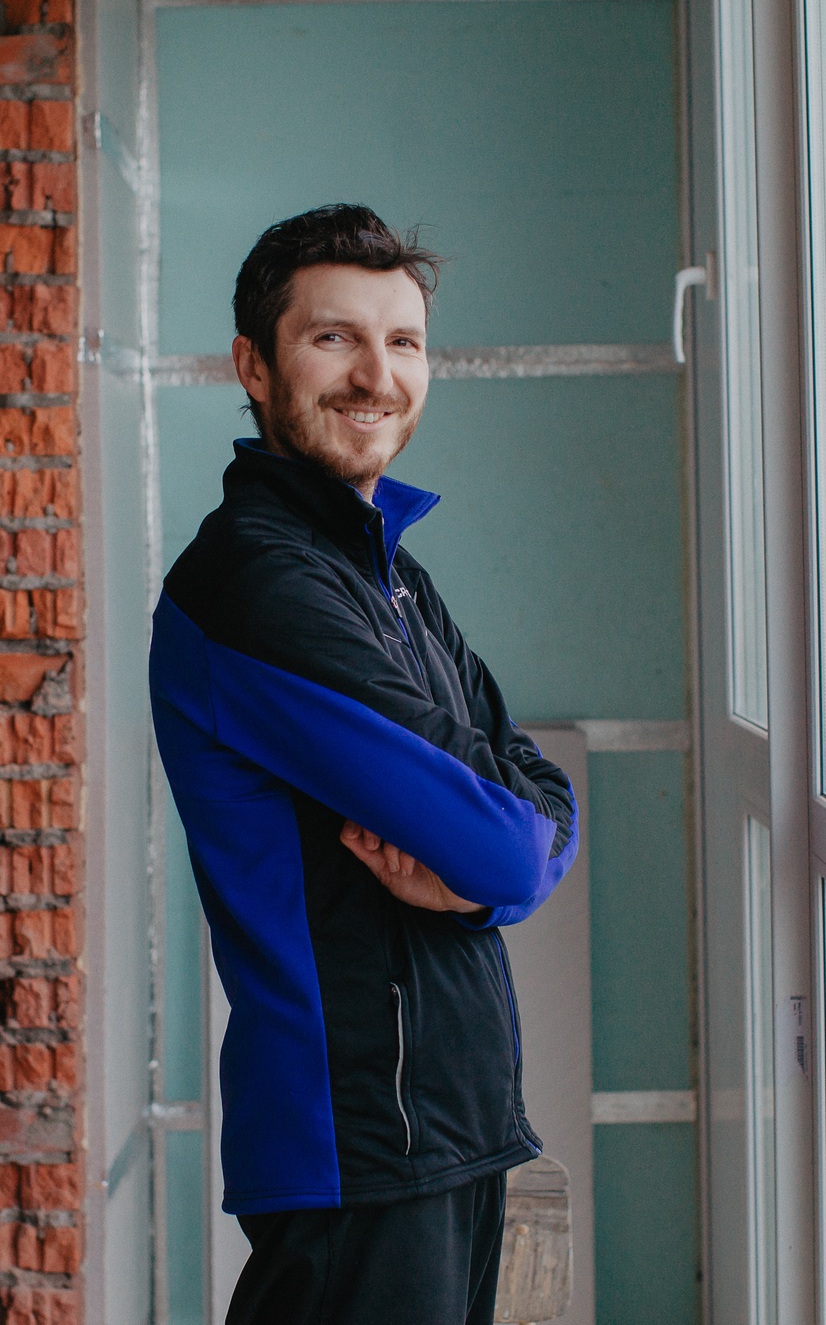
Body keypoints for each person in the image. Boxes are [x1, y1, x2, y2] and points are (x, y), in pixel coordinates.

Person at [148, 204, 579, 1325]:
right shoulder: (258, 584)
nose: (374, 376)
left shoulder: (388, 575)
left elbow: (529, 786)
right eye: (332, 338)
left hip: (443, 1130)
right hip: (360, 1147)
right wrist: (506, 863)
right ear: (252, 363)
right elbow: (501, 836)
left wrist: (511, 854)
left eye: (402, 343)